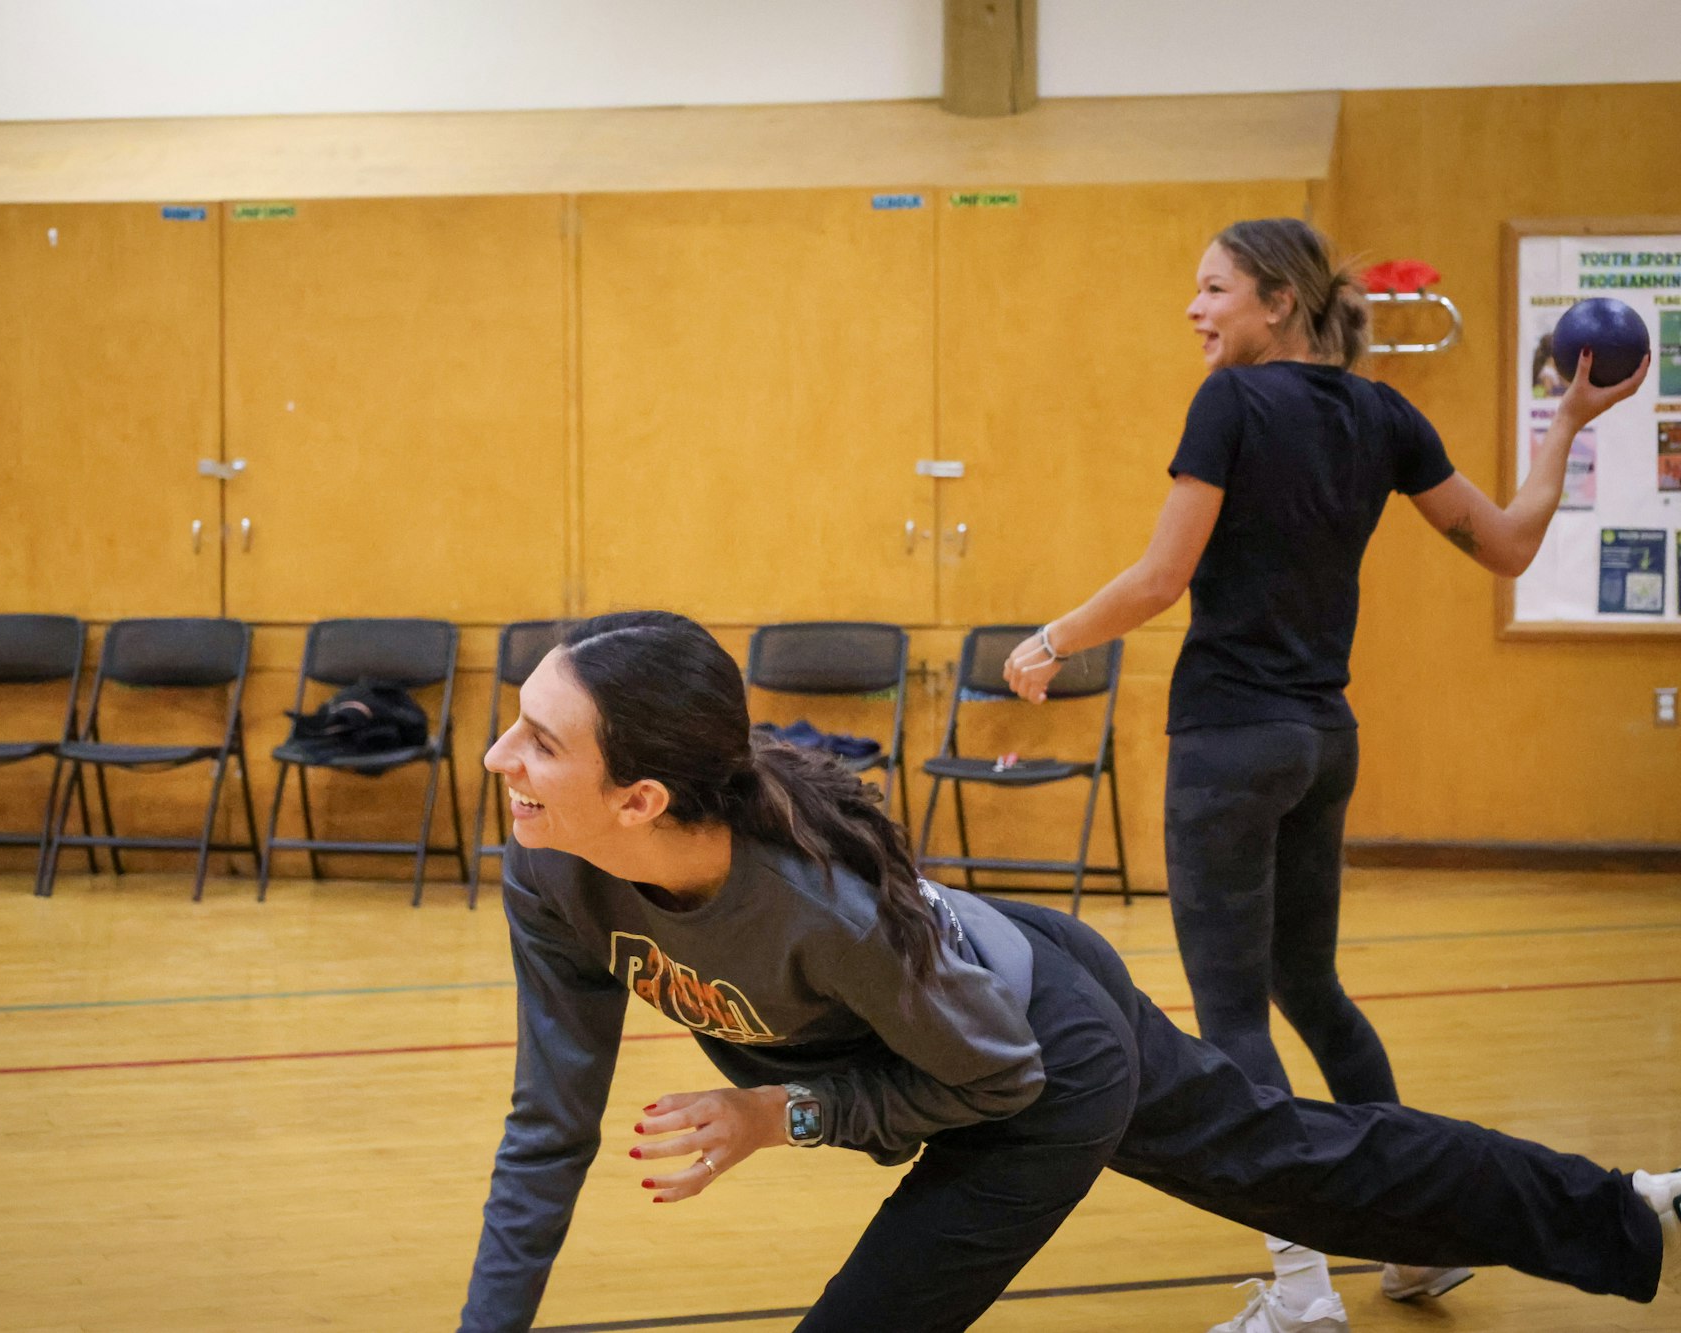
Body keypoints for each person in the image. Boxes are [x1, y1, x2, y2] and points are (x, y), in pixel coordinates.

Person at [458, 610, 1676, 1333]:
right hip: (972, 1001)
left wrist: (784, 1112)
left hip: (1036, 1057)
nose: (497, 755)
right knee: (1297, 1163)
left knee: (1285, 1166)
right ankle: (1621, 1207)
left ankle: (1612, 1211)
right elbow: (544, 1130)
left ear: (641, 797)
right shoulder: (551, 869)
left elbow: (998, 1079)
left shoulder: (819, 911)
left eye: (537, 738)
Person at [1001, 217, 1651, 1331]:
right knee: (1312, 990)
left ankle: (1300, 1290)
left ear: (1276, 300)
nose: (1194, 310)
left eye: (1211, 289)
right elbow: (1505, 544)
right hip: (1317, 744)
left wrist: (1049, 640)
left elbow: (1161, 579)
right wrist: (1561, 426)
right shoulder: (1380, 412)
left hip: (1226, 746)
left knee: (1230, 1021)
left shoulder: (1232, 405)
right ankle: (1412, 1238)